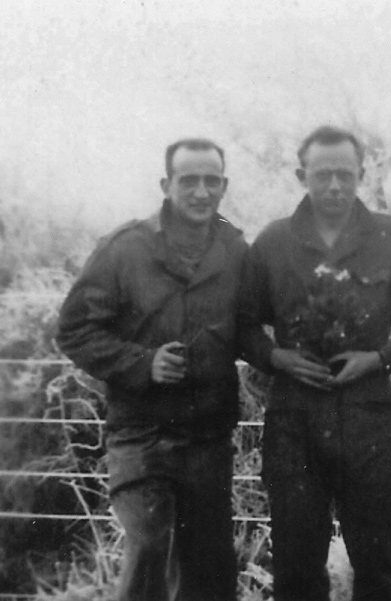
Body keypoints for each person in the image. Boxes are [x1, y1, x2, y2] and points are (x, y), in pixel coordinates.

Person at [237, 125, 391, 601]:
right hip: (293, 420)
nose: (334, 186)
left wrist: (379, 359)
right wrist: (274, 356)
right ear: (300, 174)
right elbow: (241, 325)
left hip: (366, 415)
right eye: (322, 174)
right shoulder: (274, 241)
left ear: (362, 175)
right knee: (296, 567)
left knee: (377, 566)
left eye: (345, 175)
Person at [56, 138, 247, 601]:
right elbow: (75, 329)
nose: (201, 192)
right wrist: (143, 364)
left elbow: (253, 326)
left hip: (208, 437)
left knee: (210, 575)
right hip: (142, 435)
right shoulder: (125, 248)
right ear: (167, 185)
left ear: (223, 186)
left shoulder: (237, 250)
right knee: (149, 553)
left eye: (211, 181)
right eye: (189, 181)